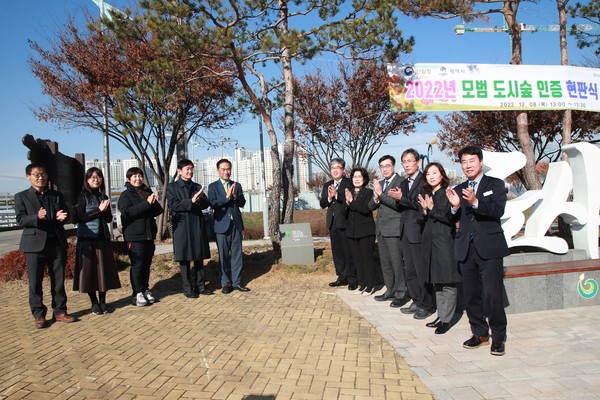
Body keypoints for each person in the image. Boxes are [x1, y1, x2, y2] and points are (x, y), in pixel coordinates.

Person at [446, 145, 509, 356]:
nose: (468, 165)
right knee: (471, 295)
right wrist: (455, 207)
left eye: (471, 161)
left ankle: (498, 337)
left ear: (480, 162)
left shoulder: (495, 184)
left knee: (492, 295)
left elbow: (497, 211)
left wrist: (475, 202)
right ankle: (479, 333)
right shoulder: (459, 188)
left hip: (490, 248)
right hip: (466, 248)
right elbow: (453, 219)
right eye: (464, 162)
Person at [15, 163, 75, 328]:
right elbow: (20, 219)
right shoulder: (21, 196)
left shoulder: (56, 195)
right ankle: (39, 315)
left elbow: (66, 212)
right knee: (35, 282)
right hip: (34, 245)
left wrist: (64, 216)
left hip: (56, 242)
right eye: (36, 174)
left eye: (43, 174)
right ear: (28, 176)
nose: (40, 177)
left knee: (58, 280)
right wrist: (36, 216)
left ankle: (60, 311)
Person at [388, 148, 435, 320]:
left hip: (418, 230)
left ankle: (427, 304)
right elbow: (402, 207)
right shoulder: (403, 183)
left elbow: (420, 205)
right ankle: (416, 300)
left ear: (418, 162)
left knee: (421, 269)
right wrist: (397, 199)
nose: (407, 165)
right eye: (404, 162)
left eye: (410, 161)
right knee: (410, 270)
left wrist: (402, 199)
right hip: (405, 231)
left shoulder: (424, 181)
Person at [417, 162, 462, 334]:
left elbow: (449, 219)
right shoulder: (430, 194)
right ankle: (441, 315)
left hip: (444, 243)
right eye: (428, 174)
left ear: (442, 175)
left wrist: (431, 209)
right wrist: (424, 211)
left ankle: (447, 319)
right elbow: (423, 219)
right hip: (430, 243)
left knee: (448, 282)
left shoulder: (446, 194)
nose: (431, 176)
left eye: (435, 173)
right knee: (437, 281)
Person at [73, 167, 122, 315]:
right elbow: (81, 218)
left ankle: (103, 301)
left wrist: (106, 210)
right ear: (87, 180)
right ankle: (94, 302)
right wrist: (99, 210)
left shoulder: (103, 196)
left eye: (98, 177)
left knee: (103, 271)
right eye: (92, 177)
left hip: (102, 238)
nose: (96, 179)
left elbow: (108, 219)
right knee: (90, 272)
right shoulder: (82, 196)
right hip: (87, 239)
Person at [118, 167, 164, 307]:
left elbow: (158, 210)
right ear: (128, 179)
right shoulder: (125, 195)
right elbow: (128, 212)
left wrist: (153, 202)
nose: (138, 179)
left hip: (148, 235)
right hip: (134, 236)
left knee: (146, 265)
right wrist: (147, 204)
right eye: (134, 176)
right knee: (137, 265)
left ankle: (145, 289)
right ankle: (136, 293)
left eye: (140, 176)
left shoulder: (146, 192)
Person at [167, 159, 212, 298]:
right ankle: (187, 288)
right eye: (187, 168)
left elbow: (206, 204)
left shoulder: (197, 186)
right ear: (179, 171)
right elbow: (174, 205)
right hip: (181, 225)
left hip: (196, 223)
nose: (190, 171)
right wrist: (190, 201)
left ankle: (201, 286)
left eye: (192, 169)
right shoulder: (172, 187)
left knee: (199, 256)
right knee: (184, 257)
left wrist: (199, 200)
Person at [369, 155, 409, 308]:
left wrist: (381, 194)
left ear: (393, 166)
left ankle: (401, 293)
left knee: (397, 263)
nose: (385, 169)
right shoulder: (378, 183)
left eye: (387, 165)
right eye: (382, 166)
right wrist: (376, 197)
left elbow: (397, 204)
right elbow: (369, 206)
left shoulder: (400, 182)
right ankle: (389, 290)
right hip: (381, 229)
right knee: (385, 263)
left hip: (394, 228)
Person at [208, 159, 249, 294]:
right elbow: (212, 203)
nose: (226, 172)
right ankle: (226, 283)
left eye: (228, 169)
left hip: (235, 224)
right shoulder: (213, 186)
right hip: (221, 225)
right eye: (223, 169)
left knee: (237, 255)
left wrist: (235, 196)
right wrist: (226, 198)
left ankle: (237, 282)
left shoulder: (236, 185)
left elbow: (242, 203)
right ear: (218, 171)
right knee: (224, 255)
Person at [320, 158, 358, 290]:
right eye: (332, 168)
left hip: (345, 221)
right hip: (332, 223)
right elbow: (322, 203)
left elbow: (350, 200)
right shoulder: (327, 184)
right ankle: (341, 277)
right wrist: (329, 197)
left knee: (349, 252)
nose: (335, 170)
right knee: (337, 253)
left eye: (338, 168)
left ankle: (352, 279)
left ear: (343, 170)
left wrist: (337, 195)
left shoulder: (349, 183)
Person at [344, 167, 379, 295]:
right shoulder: (348, 191)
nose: (357, 179)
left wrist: (351, 202)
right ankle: (362, 284)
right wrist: (344, 201)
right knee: (357, 259)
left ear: (364, 179)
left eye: (359, 176)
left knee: (367, 258)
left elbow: (365, 209)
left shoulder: (368, 192)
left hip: (366, 231)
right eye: (354, 177)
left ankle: (370, 285)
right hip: (352, 231)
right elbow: (344, 211)